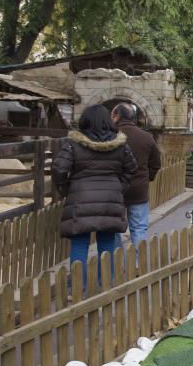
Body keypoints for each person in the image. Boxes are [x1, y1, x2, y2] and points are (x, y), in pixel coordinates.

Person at [52, 104, 137, 286]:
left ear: (85, 121)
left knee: (79, 243)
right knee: (107, 243)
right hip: (110, 200)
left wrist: (66, 189)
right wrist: (119, 187)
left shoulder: (74, 144)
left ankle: (78, 287)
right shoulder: (120, 145)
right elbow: (131, 168)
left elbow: (59, 168)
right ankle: (106, 283)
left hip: (80, 199)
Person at [110, 103, 161, 249]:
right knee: (139, 228)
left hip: (114, 189)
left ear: (116, 116)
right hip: (139, 189)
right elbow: (156, 163)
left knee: (113, 229)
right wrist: (146, 178)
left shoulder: (111, 136)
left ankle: (116, 264)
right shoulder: (146, 137)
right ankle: (139, 264)